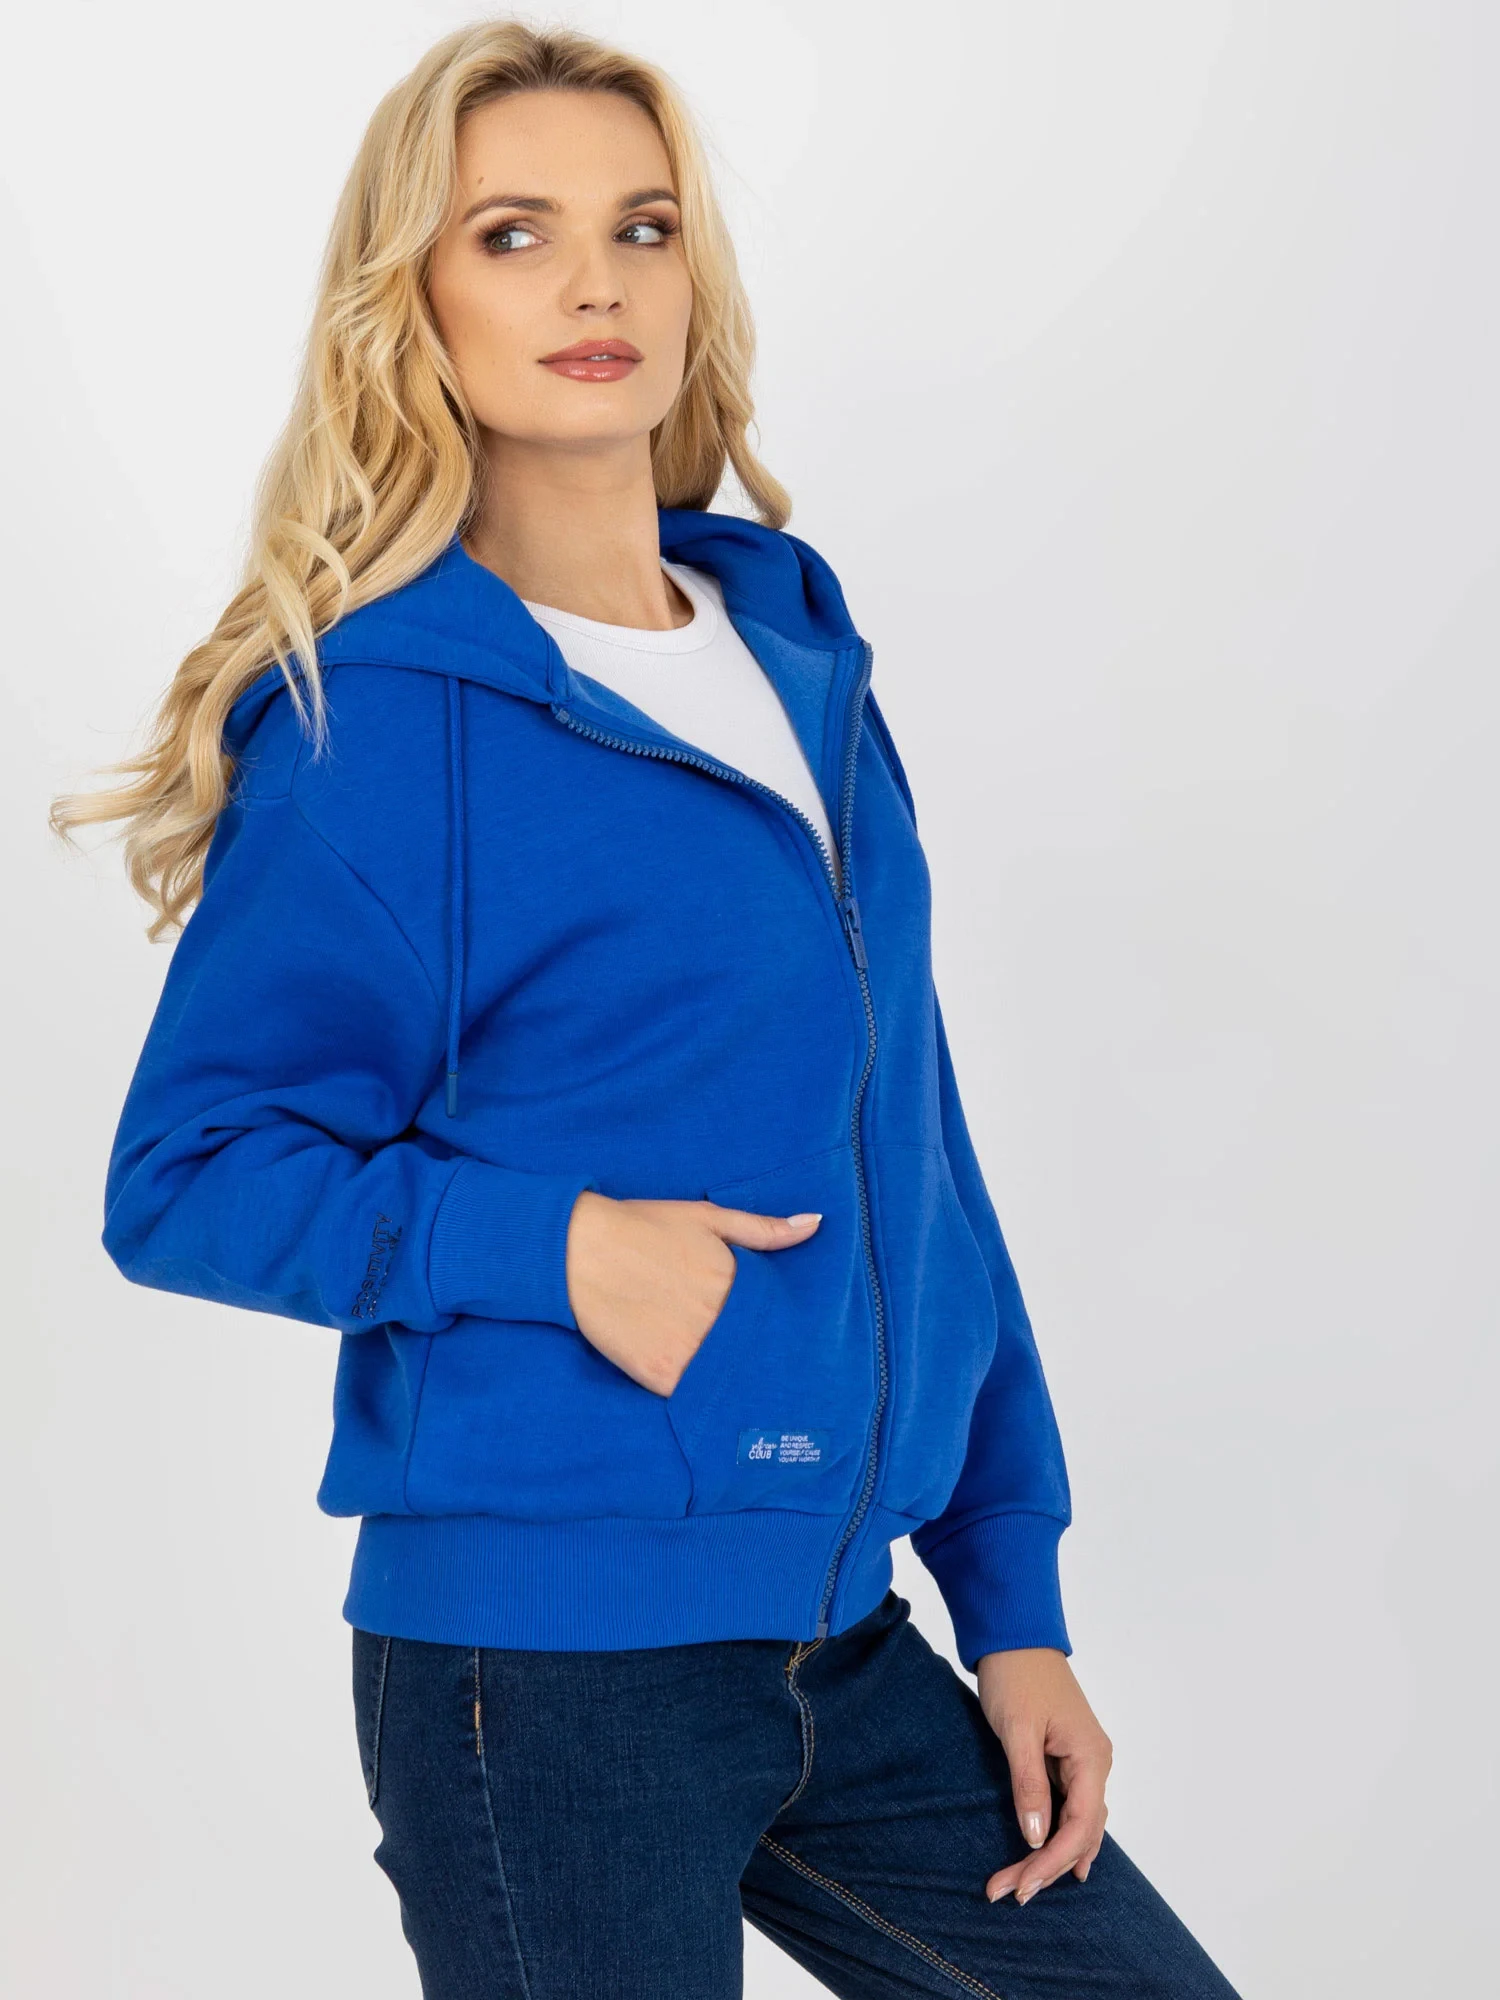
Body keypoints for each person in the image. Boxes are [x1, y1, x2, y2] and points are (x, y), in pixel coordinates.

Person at [50, 20, 1242, 1999]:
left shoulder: (800, 673)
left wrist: (1011, 1598)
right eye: (513, 234)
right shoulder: (380, 729)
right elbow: (185, 1176)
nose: (594, 282)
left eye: (645, 226)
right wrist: (555, 1245)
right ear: (415, 301)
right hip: (541, 1672)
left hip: (845, 1644)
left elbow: (920, 1158)